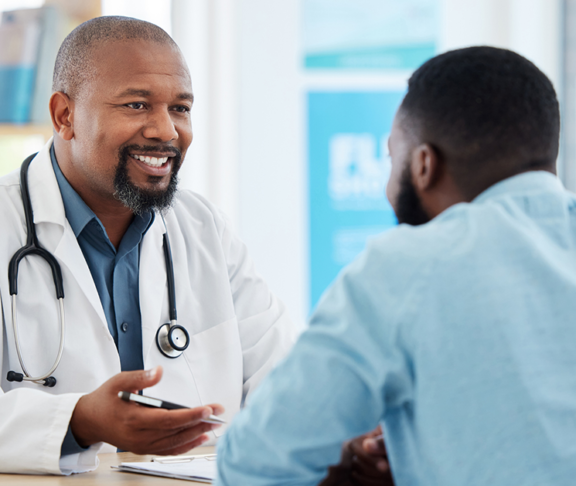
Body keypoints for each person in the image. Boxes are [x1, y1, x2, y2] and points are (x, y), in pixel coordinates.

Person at [215, 46, 576, 486]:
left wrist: (344, 459)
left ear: (424, 165)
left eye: (391, 159)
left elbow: (255, 464)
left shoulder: (409, 267)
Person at [0, 16, 298, 475]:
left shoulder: (204, 229)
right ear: (65, 116)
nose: (166, 131)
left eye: (180, 108)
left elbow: (283, 378)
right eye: (137, 105)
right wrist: (78, 422)